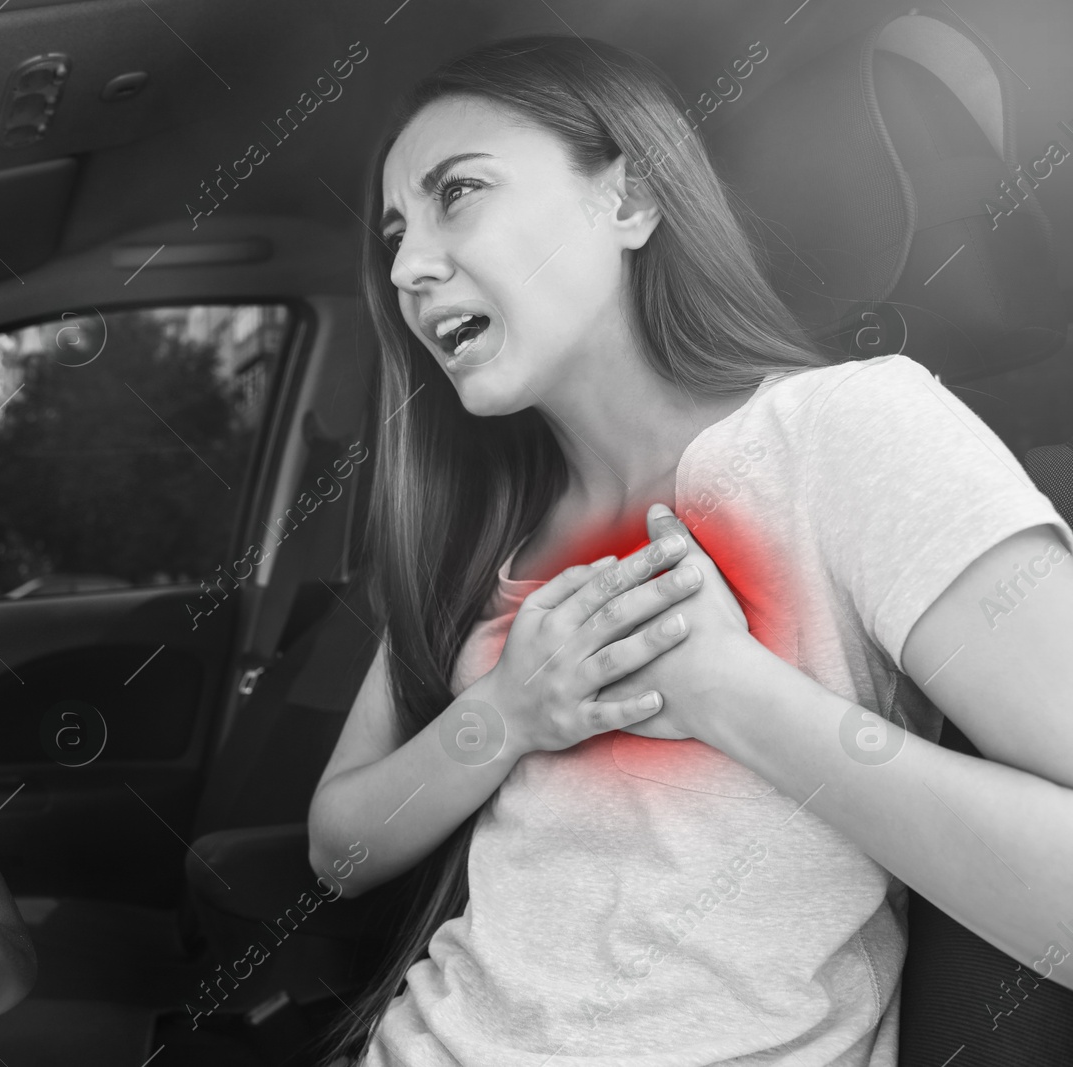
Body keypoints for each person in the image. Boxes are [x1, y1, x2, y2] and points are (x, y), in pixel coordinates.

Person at [306, 34, 1073, 1067]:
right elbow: (337, 846)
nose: (405, 268)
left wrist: (730, 695)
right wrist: (508, 713)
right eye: (394, 233)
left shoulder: (846, 430)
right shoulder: (484, 521)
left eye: (458, 193)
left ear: (625, 202)